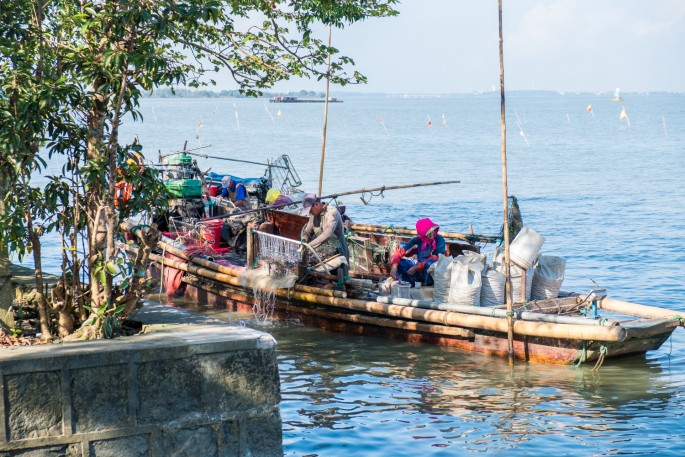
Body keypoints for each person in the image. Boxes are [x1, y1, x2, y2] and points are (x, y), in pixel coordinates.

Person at [300, 193, 349, 276]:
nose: (310, 213)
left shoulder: (332, 212)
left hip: (338, 251)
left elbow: (327, 234)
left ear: (316, 204)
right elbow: (307, 231)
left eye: (310, 210)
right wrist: (303, 241)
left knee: (338, 278)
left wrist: (309, 245)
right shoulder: (313, 216)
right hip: (323, 252)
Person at [389, 217, 446, 287]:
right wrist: (394, 266)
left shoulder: (439, 240)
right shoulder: (417, 240)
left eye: (433, 230)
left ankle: (428, 284)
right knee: (399, 262)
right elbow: (399, 252)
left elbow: (436, 258)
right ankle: (408, 282)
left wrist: (416, 267)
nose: (432, 234)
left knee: (429, 264)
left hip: (431, 271)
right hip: (418, 266)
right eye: (428, 232)